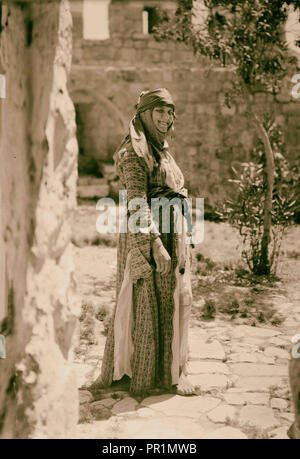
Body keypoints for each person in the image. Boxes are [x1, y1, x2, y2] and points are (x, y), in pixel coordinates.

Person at [91, 88, 195, 396]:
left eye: (170, 112)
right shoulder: (133, 152)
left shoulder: (159, 148)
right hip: (147, 236)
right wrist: (155, 244)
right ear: (145, 114)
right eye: (160, 111)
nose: (166, 117)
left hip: (169, 232)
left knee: (169, 301)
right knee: (147, 303)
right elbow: (136, 201)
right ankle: (143, 374)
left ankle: (169, 373)